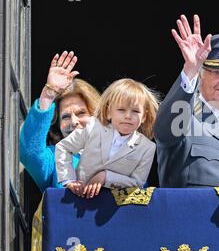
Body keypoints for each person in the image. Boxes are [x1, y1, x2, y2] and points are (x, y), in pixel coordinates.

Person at [154, 15, 219, 189]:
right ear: (201, 74)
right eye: (218, 71)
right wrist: (190, 70)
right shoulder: (184, 119)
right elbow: (163, 130)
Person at [55, 78, 159, 199]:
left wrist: (106, 177)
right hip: (79, 199)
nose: (128, 116)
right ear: (109, 112)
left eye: (135, 111)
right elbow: (63, 147)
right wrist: (69, 180)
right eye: (121, 110)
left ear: (144, 116)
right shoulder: (93, 126)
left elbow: (138, 183)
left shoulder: (148, 147)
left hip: (115, 208)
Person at [20, 51, 101, 193]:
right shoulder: (55, 158)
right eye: (65, 117)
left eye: (81, 113)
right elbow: (29, 152)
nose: (74, 121)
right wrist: (49, 93)